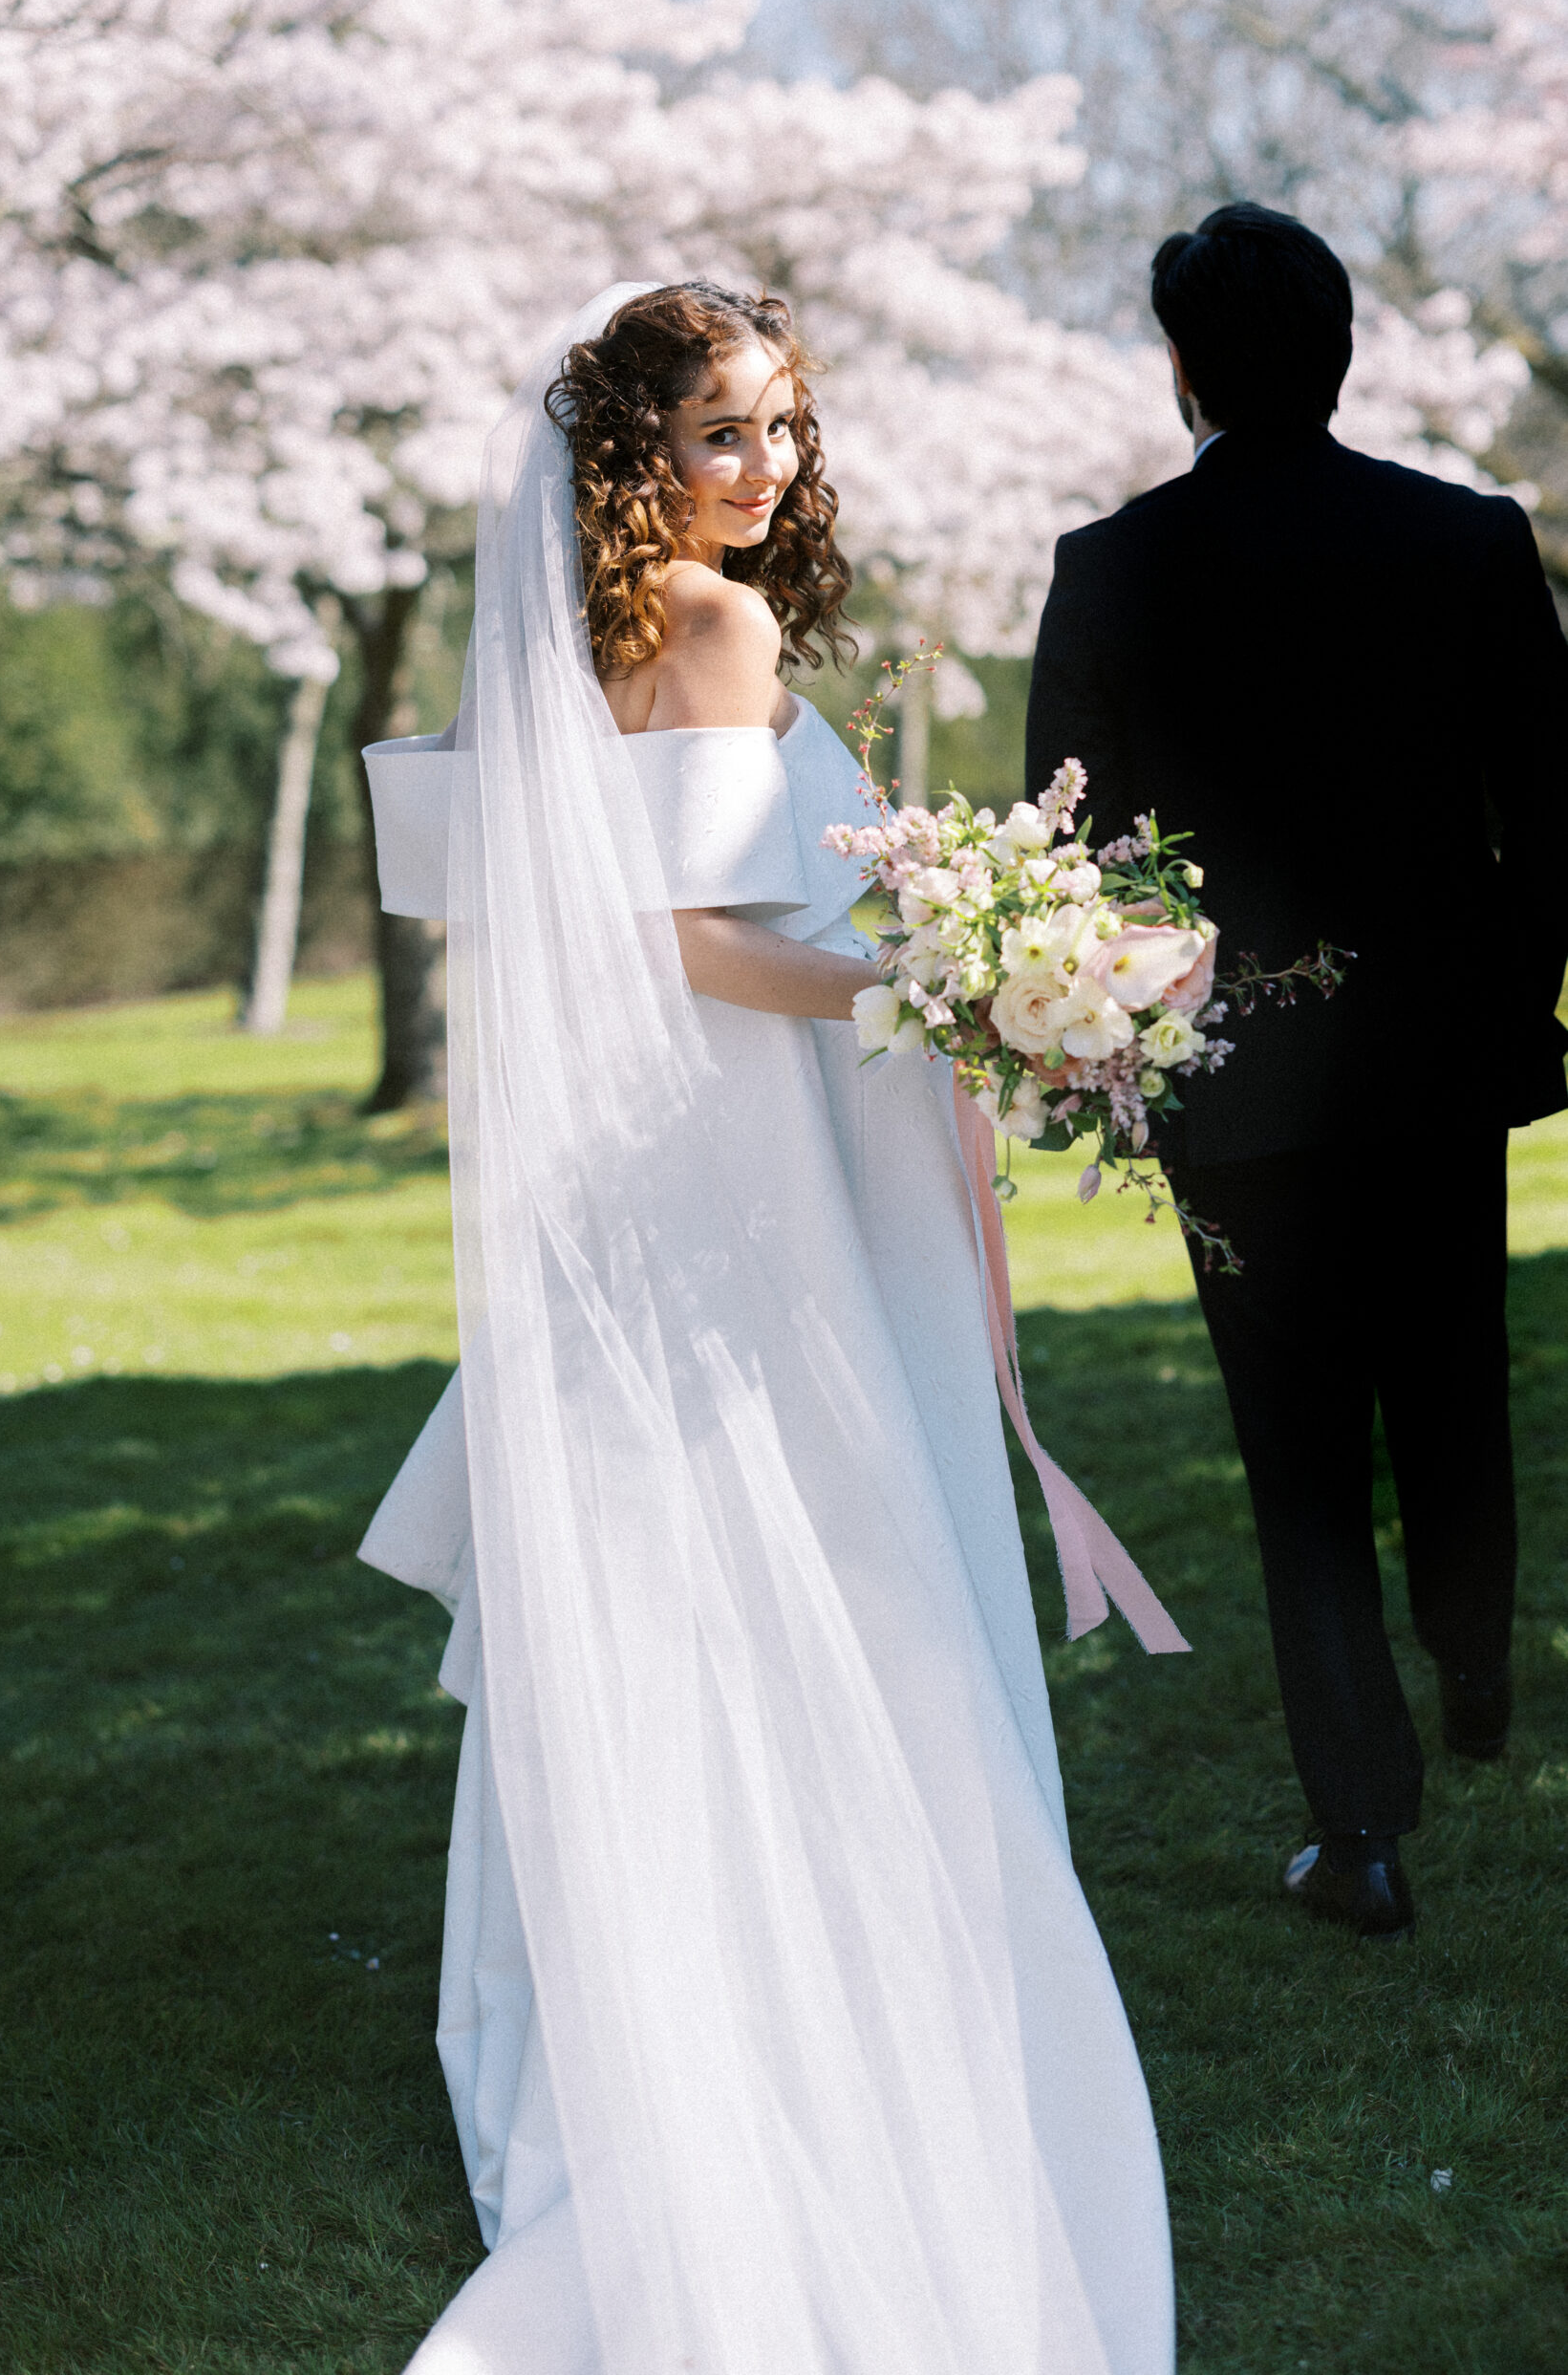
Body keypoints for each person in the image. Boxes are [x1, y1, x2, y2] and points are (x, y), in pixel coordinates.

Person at [357, 281, 1175, 2373]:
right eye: (719, 432)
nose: (763, 469)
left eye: (782, 428)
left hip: (651, 1183)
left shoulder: (599, 637)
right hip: (750, 1172)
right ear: (631, 448)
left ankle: (666, 2002)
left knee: (703, 1572)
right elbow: (701, 945)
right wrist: (952, 991)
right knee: (833, 1556)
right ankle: (833, 2005)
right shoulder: (709, 633)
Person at [1026, 202, 1568, 1940]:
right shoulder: (1470, 543)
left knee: (1299, 1445)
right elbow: (1552, 817)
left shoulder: (1108, 569)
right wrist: (1512, 1001)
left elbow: (1073, 847)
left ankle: (1360, 1830)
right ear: (1343, 352)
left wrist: (1114, 1036)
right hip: (1434, 1065)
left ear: (1178, 366)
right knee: (1454, 1376)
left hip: (1231, 1073)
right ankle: (1476, 1672)